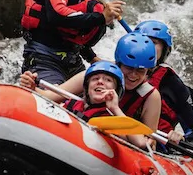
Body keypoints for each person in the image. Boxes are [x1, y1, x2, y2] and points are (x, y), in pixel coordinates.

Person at [21, 33, 179, 149]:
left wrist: (170, 139)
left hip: (121, 143)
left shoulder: (151, 96)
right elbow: (50, 97)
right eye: (129, 68)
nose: (133, 75)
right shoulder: (96, 76)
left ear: (149, 71)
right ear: (119, 64)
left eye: (141, 71)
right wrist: (31, 88)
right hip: (79, 130)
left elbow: (147, 143)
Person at [134, 20, 193, 145]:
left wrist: (180, 139)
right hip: (127, 133)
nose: (147, 46)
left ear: (164, 50)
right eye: (144, 41)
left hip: (158, 146)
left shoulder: (171, 83)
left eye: (153, 43)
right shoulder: (124, 70)